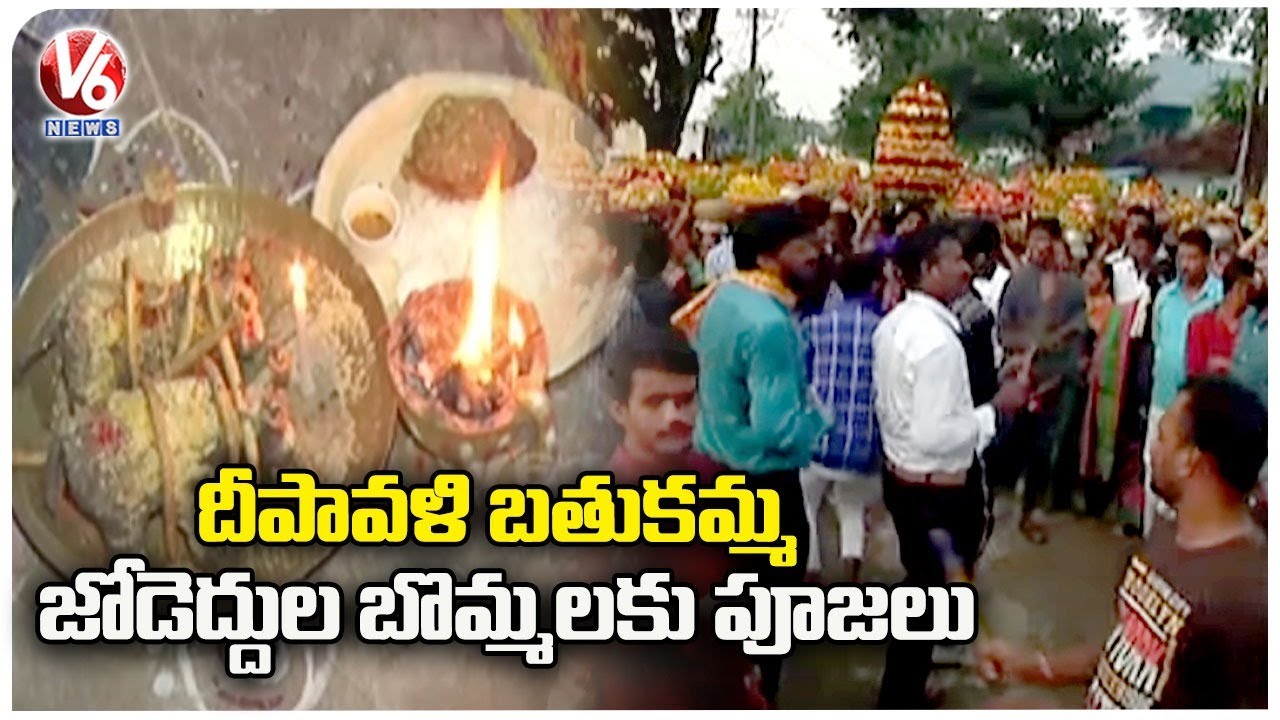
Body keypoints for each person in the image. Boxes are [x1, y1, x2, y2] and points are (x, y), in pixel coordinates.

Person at [977, 377, 1268, 709]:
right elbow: (1127, 650)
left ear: (1190, 461)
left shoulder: (1245, 604)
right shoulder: (1167, 531)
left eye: (1162, 437)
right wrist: (1032, 666)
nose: (1152, 449)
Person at [671, 205, 829, 708]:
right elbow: (777, 427)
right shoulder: (770, 324)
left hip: (714, 474)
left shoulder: (726, 297)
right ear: (766, 258)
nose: (818, 255)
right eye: (804, 248)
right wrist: (819, 421)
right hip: (764, 491)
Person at [872, 222, 1030, 709]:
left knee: (921, 587)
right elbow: (936, 434)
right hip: (936, 491)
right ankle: (900, 697)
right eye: (955, 259)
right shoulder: (937, 343)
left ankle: (906, 687)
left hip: (904, 479)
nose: (967, 268)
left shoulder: (895, 323)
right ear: (927, 269)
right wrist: (996, 410)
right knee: (926, 594)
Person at [591, 327, 766, 709]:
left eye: (686, 400)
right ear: (619, 410)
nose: (675, 417)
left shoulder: (714, 476)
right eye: (655, 402)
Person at [996, 217, 1088, 543]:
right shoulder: (1017, 282)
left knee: (1043, 448)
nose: (1037, 246)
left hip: (1055, 380)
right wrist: (1027, 347)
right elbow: (1003, 329)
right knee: (1009, 443)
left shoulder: (1073, 287)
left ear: (1056, 243)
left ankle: (1030, 511)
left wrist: (1057, 342)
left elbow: (1080, 326)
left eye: (1043, 239)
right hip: (1020, 378)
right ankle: (991, 505)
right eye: (1033, 239)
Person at [800, 252, 885, 583]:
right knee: (851, 508)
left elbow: (803, 379)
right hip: (862, 445)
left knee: (807, 504)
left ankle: (811, 572)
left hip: (819, 440)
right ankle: (851, 578)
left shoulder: (815, 325)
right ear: (874, 285)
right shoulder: (882, 330)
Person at [1145, 229, 1223, 534]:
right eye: (1182, 257)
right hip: (1162, 399)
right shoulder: (1165, 297)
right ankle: (1151, 537)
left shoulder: (1220, 297)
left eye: (1193, 257)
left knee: (1190, 478)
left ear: (1208, 259)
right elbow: (1157, 341)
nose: (1186, 264)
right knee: (1154, 468)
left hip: (1200, 407)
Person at [1186, 257, 1256, 376]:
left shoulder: (1254, 326)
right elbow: (1195, 370)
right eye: (1249, 288)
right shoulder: (1201, 325)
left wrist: (1229, 366)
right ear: (1236, 288)